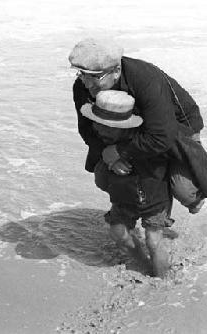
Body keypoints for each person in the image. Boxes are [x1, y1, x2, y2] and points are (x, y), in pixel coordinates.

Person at [69, 37, 207, 277]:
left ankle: (191, 198)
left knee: (184, 189)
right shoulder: (84, 87)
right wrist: (109, 156)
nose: (86, 82)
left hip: (176, 126)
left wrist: (120, 152)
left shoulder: (144, 79)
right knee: (106, 177)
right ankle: (140, 253)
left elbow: (163, 135)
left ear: (116, 70)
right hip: (124, 130)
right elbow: (87, 130)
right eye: (80, 74)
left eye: (93, 76)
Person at [80, 89, 172, 277]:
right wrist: (110, 159)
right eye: (97, 124)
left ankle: (163, 280)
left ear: (126, 127)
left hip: (155, 199)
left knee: (153, 240)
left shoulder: (148, 142)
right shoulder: (102, 141)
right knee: (118, 233)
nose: (99, 129)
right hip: (123, 198)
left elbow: (165, 158)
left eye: (106, 126)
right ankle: (142, 262)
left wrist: (122, 155)